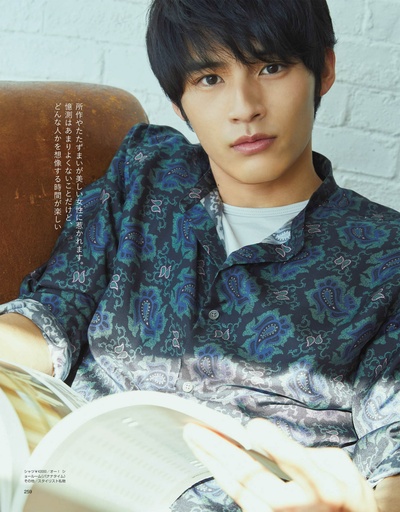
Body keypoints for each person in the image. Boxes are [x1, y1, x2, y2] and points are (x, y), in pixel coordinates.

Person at [1, 0, 400, 510]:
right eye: (210, 79)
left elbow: (392, 453)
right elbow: (56, 309)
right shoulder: (145, 171)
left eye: (271, 67)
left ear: (323, 69)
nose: (244, 107)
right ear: (178, 101)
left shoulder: (386, 254)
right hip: (59, 481)